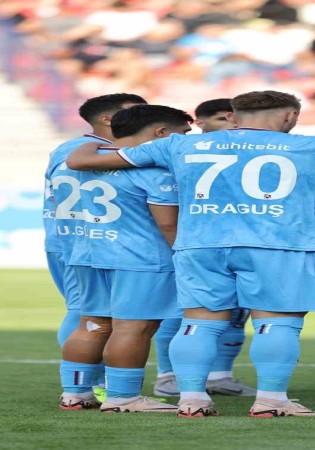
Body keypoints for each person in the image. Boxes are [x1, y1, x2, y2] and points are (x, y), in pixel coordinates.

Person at [66, 90, 315, 419]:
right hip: (277, 245)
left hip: (201, 244)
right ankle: (272, 400)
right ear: (291, 116)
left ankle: (191, 399)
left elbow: (86, 160)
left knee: (200, 323)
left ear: (234, 115)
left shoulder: (180, 143)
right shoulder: (312, 145)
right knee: (277, 324)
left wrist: (88, 141)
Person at [76, 104, 193, 413]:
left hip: (93, 253)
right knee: (134, 328)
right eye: (182, 134)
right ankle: (123, 397)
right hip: (141, 259)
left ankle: (75, 393)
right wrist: (185, 257)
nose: (184, 141)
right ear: (161, 133)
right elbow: (168, 224)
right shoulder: (155, 170)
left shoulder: (89, 163)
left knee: (92, 324)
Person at [153, 98, 256, 398]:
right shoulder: (178, 150)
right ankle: (168, 376)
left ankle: (220, 376)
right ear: (200, 123)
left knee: (236, 313)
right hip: (192, 244)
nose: (232, 125)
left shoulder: (248, 151)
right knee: (183, 312)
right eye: (223, 119)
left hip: (237, 242)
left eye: (235, 119)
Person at [52, 93, 147, 410]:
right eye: (136, 110)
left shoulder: (73, 149)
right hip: (93, 242)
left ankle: (81, 388)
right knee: (92, 314)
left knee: (90, 314)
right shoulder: (96, 150)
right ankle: (98, 386)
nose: (143, 116)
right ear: (108, 118)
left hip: (81, 240)